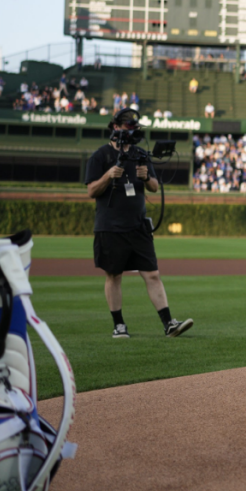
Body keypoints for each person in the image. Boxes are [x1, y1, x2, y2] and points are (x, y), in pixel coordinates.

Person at [85, 108, 194, 339]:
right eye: (127, 126)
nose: (131, 130)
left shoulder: (140, 154)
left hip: (138, 226)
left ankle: (168, 324)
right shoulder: (100, 156)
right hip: (110, 226)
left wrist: (145, 176)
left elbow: (154, 186)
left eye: (134, 127)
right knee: (114, 275)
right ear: (115, 127)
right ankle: (119, 325)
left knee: (152, 274)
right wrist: (108, 176)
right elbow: (91, 190)